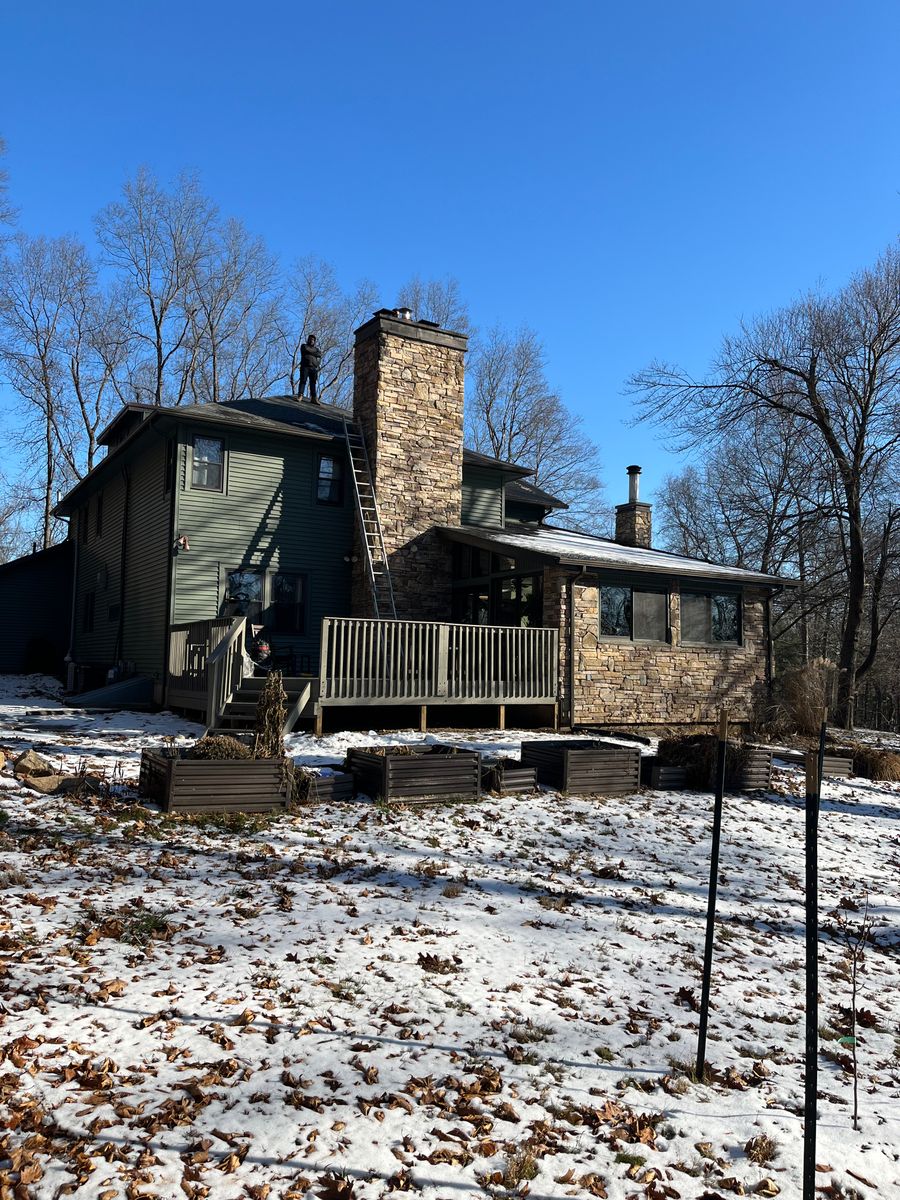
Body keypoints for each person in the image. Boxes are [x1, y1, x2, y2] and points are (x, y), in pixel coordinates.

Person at [299, 334, 322, 403]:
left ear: (314, 341)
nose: (311, 340)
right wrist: (314, 353)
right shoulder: (304, 346)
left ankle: (314, 398)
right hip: (305, 366)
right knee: (303, 381)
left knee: (313, 383)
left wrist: (316, 364)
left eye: (313, 340)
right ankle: (300, 395)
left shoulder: (316, 349)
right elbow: (306, 349)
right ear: (308, 340)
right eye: (310, 339)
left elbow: (319, 354)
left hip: (313, 368)